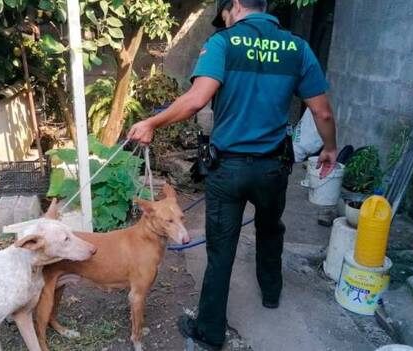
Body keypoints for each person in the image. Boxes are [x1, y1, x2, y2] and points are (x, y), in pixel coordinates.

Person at [127, 0, 337, 349]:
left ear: (236, 6)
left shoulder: (224, 43)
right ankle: (271, 294)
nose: (224, 20)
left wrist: (151, 122)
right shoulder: (298, 46)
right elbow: (323, 112)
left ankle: (210, 333)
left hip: (229, 168)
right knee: (271, 229)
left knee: (221, 249)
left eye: (223, 14)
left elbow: (196, 100)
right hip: (273, 167)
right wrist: (329, 148)